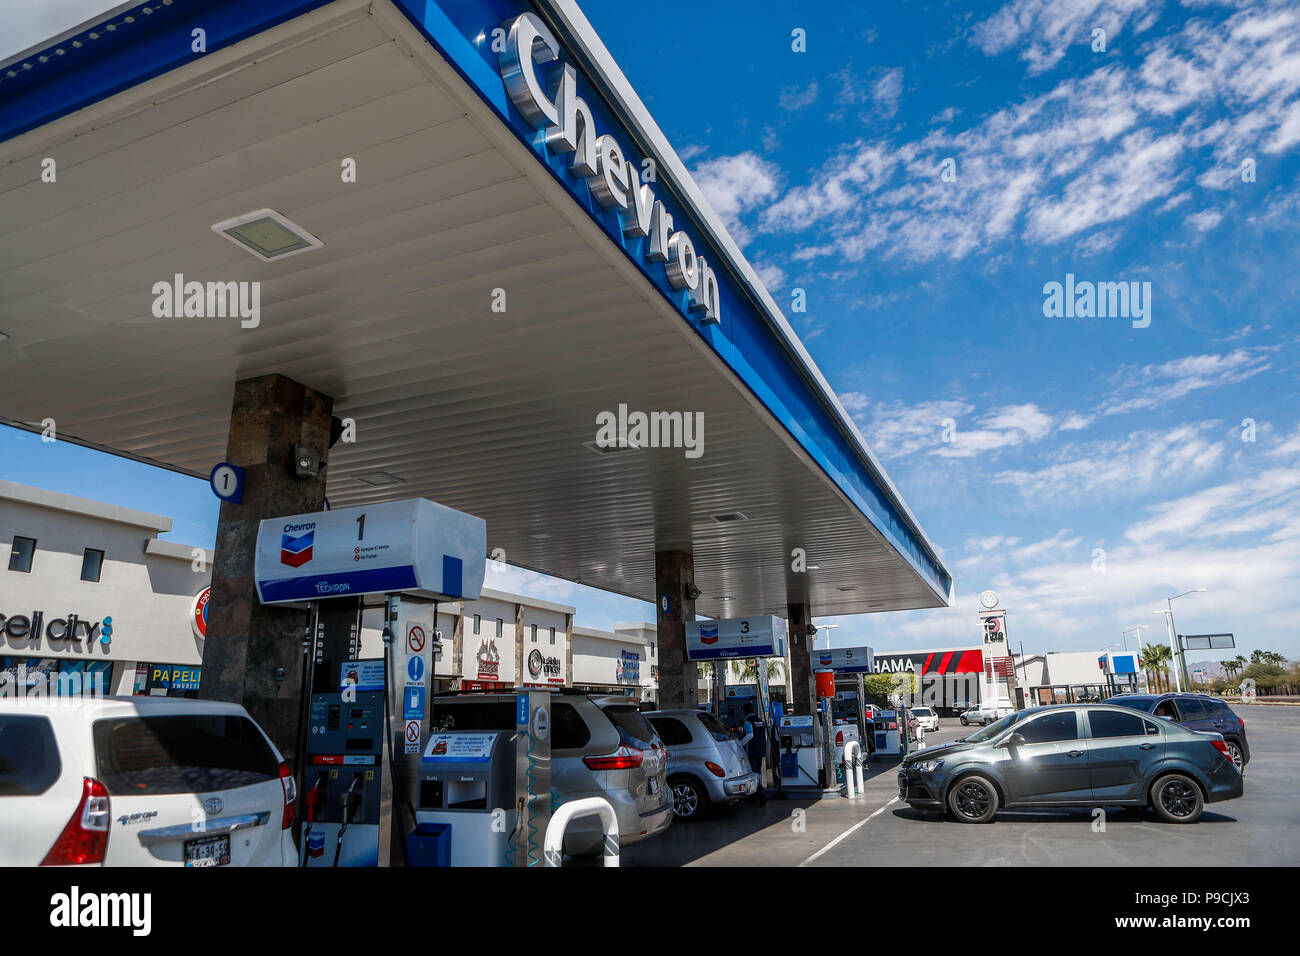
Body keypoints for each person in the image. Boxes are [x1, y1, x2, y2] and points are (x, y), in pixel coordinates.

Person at [738, 713, 768, 806]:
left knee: (753, 775)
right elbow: (765, 735)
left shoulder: (748, 722)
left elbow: (749, 735)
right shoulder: (759, 720)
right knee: (757, 773)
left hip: (752, 752)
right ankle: (754, 797)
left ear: (745, 711)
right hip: (761, 751)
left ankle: (760, 796)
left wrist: (739, 744)